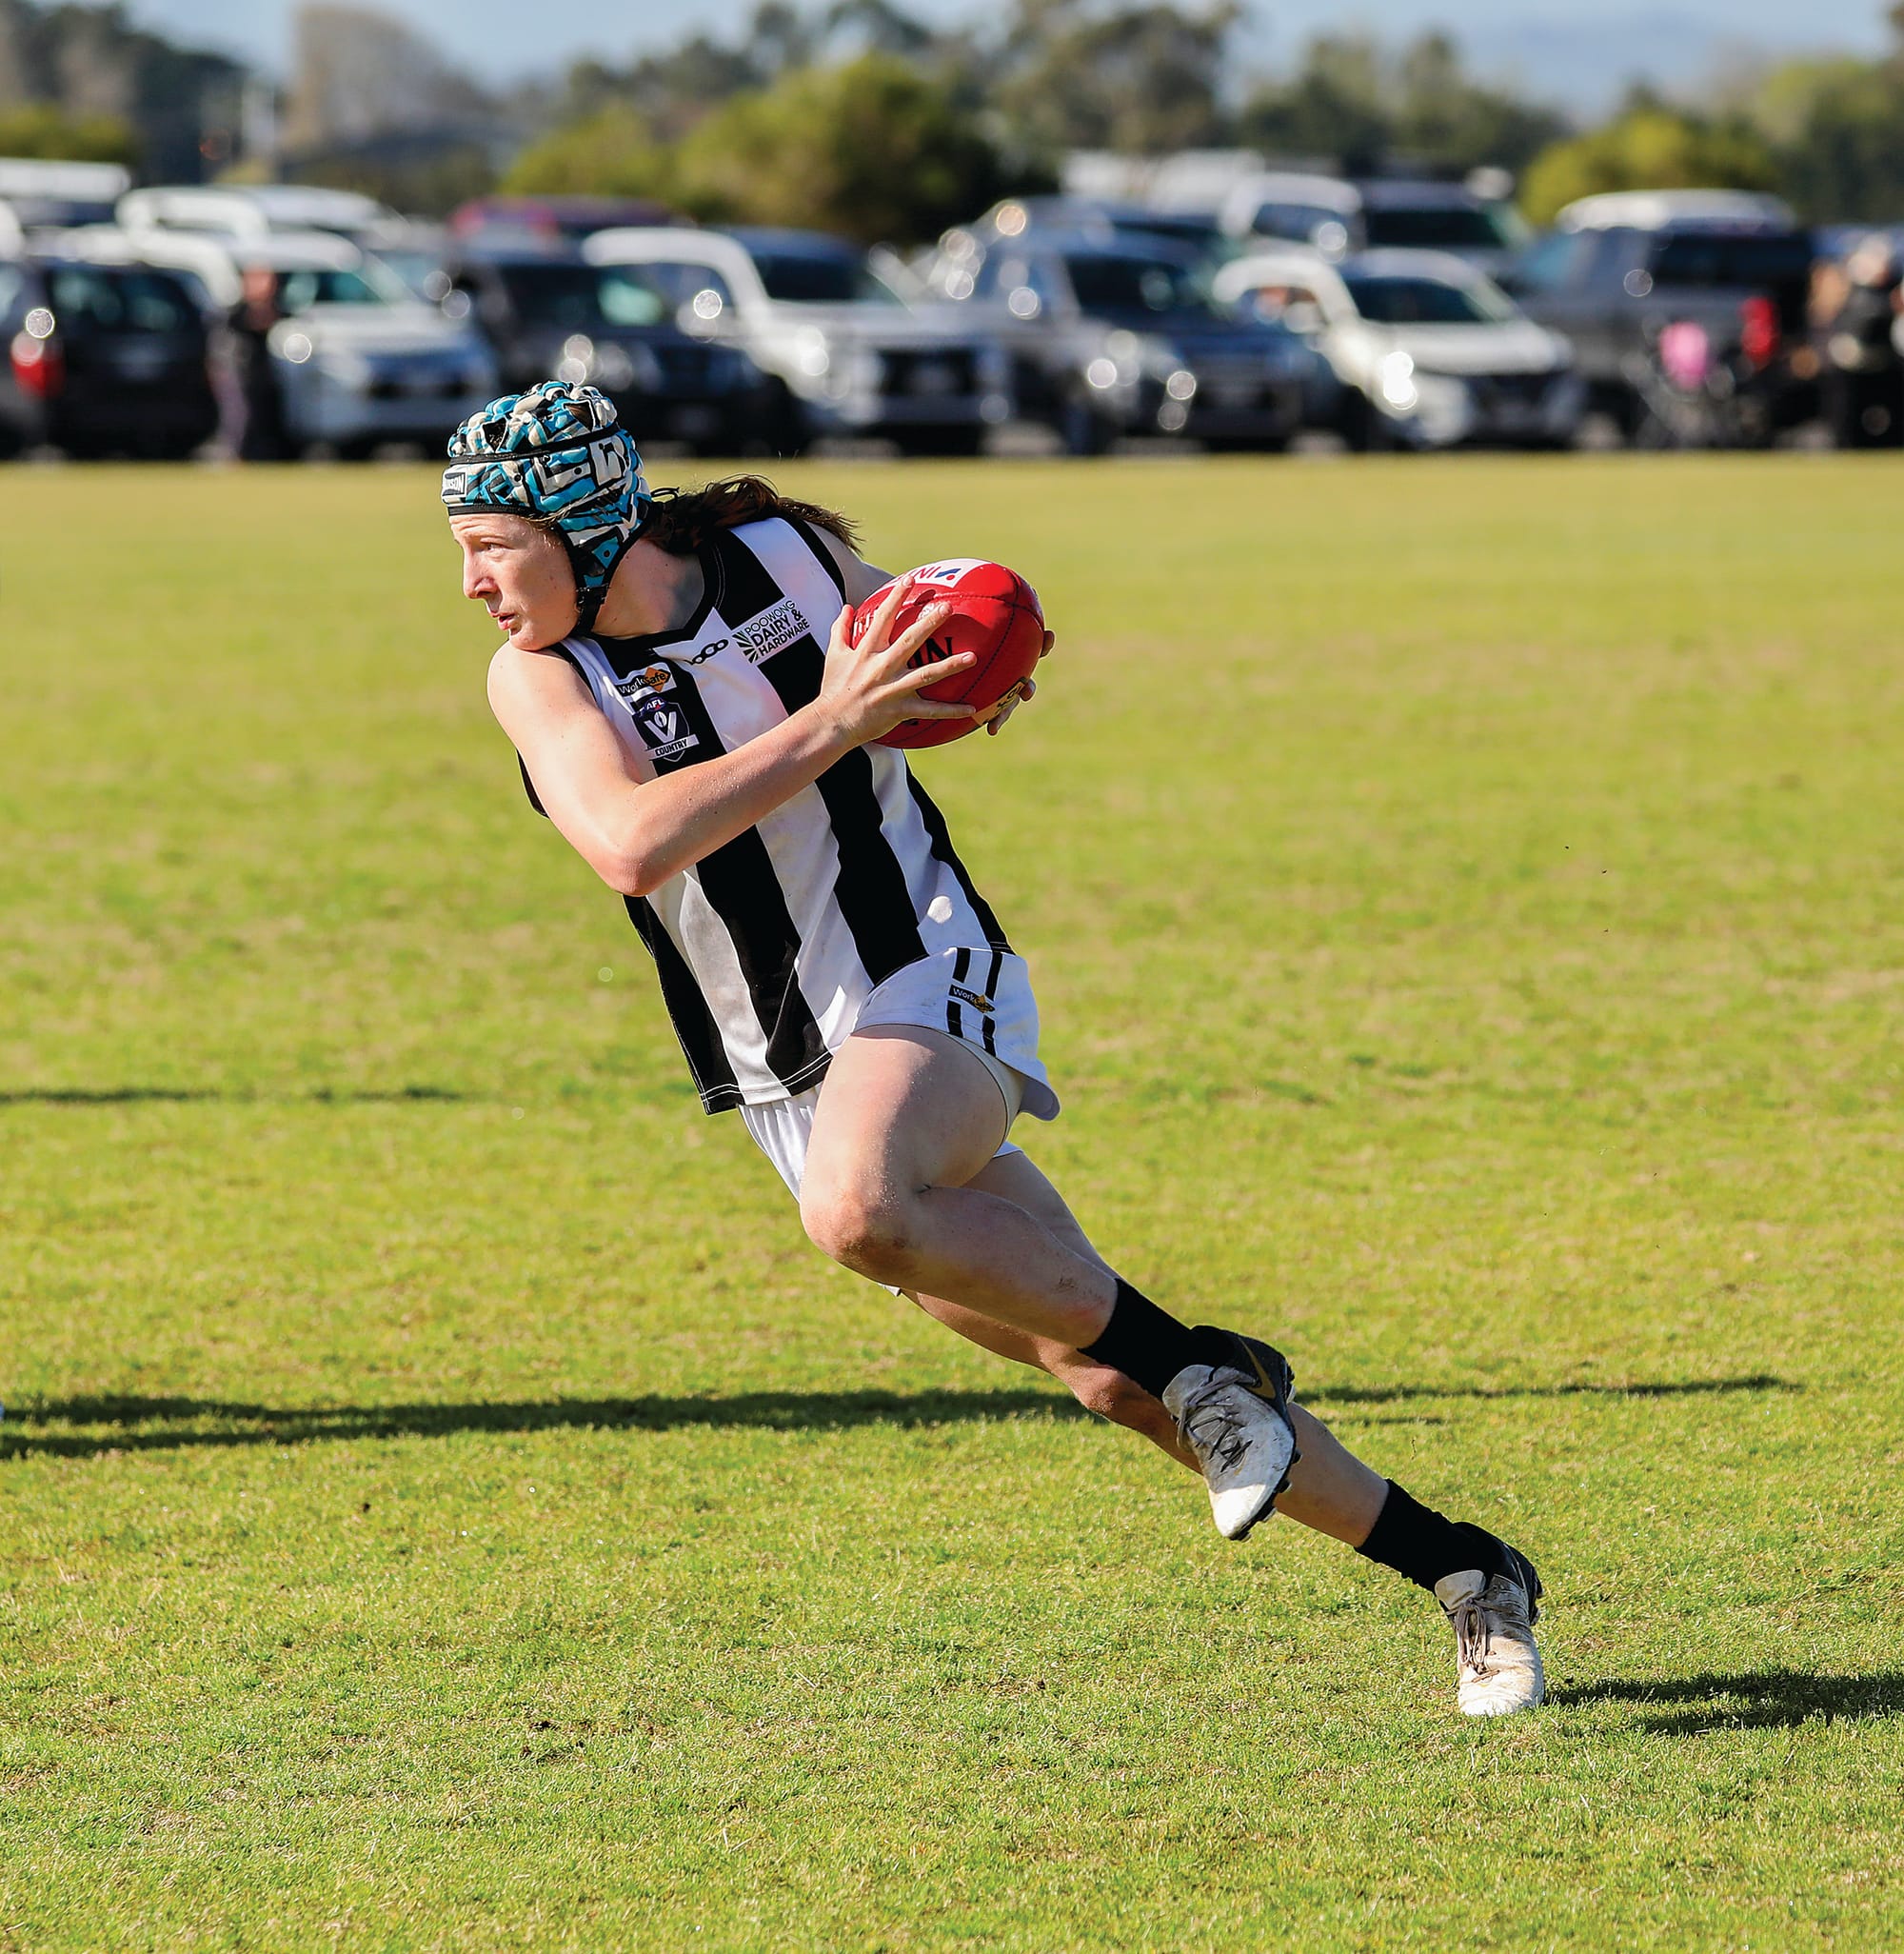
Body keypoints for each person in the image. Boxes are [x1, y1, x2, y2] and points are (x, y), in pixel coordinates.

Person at [446, 380, 1547, 1717]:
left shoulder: (781, 559)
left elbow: (943, 626)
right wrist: (835, 720)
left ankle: (1203, 1367)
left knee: (857, 1214)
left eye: (489, 547)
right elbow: (630, 844)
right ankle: (1469, 1573)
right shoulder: (543, 679)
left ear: (581, 521)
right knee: (1105, 1374)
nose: (472, 585)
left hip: (924, 962)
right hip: (785, 1063)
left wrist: (979, 670)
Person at [224, 263, 288, 462]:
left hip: (272, 378)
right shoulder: (235, 316)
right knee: (240, 418)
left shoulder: (282, 314)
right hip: (243, 378)